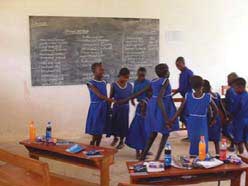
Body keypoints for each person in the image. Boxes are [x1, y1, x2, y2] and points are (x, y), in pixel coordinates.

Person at [169, 76, 218, 156]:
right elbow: (216, 110)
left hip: (191, 121)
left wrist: (172, 120)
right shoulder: (207, 97)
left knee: (193, 140)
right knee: (202, 139)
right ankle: (202, 156)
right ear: (202, 85)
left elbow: (180, 109)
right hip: (202, 122)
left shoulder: (188, 95)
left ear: (192, 86)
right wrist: (213, 120)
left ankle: (193, 156)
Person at [140, 63, 179, 161]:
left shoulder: (154, 81)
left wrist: (128, 98)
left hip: (153, 107)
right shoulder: (166, 81)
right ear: (166, 72)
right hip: (163, 107)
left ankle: (142, 156)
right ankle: (157, 158)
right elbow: (160, 99)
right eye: (168, 70)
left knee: (153, 132)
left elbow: (142, 91)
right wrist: (166, 118)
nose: (169, 72)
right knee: (165, 133)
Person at [85, 63, 115, 146]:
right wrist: (111, 100)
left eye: (103, 69)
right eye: (100, 69)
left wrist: (109, 107)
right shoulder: (90, 83)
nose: (102, 71)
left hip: (104, 107)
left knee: (101, 129)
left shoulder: (104, 82)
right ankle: (93, 143)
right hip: (96, 108)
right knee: (96, 129)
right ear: (94, 71)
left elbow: (105, 95)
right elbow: (99, 95)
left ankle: (97, 145)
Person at [125, 67, 151, 159]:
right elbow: (134, 93)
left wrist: (146, 103)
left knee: (146, 130)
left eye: (143, 76)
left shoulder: (148, 83)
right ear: (137, 74)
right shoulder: (135, 82)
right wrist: (132, 99)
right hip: (140, 107)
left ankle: (145, 149)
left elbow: (150, 94)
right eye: (140, 75)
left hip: (147, 106)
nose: (141, 77)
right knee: (137, 129)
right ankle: (138, 152)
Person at [108, 68, 133, 149]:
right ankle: (115, 138)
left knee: (123, 125)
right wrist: (108, 108)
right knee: (114, 123)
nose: (126, 79)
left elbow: (130, 96)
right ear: (120, 76)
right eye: (125, 77)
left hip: (125, 108)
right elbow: (110, 97)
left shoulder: (130, 86)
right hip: (116, 108)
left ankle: (122, 141)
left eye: (128, 77)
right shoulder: (114, 85)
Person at [203, 80, 227, 155]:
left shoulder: (206, 96)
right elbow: (221, 106)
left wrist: (211, 120)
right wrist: (225, 115)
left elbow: (210, 109)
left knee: (204, 137)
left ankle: (204, 153)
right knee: (216, 139)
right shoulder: (216, 94)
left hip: (210, 119)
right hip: (217, 119)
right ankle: (218, 154)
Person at [172, 57, 194, 141]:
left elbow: (193, 85)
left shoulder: (189, 73)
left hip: (188, 97)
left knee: (186, 116)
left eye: (178, 65)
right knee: (182, 117)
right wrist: (173, 94)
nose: (177, 67)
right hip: (184, 97)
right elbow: (181, 88)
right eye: (176, 65)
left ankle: (191, 135)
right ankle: (190, 135)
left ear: (183, 63)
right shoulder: (181, 74)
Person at [231, 78, 248, 154]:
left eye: (234, 88)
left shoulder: (238, 97)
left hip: (239, 121)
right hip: (247, 119)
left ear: (240, 87)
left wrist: (230, 116)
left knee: (239, 141)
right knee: (246, 140)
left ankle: (241, 156)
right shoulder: (247, 95)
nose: (234, 90)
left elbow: (235, 109)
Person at [223, 72, 239, 151]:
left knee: (225, 130)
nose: (227, 81)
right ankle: (233, 145)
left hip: (232, 114)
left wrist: (228, 115)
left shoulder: (230, 91)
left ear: (232, 80)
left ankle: (235, 143)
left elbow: (231, 103)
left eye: (228, 79)